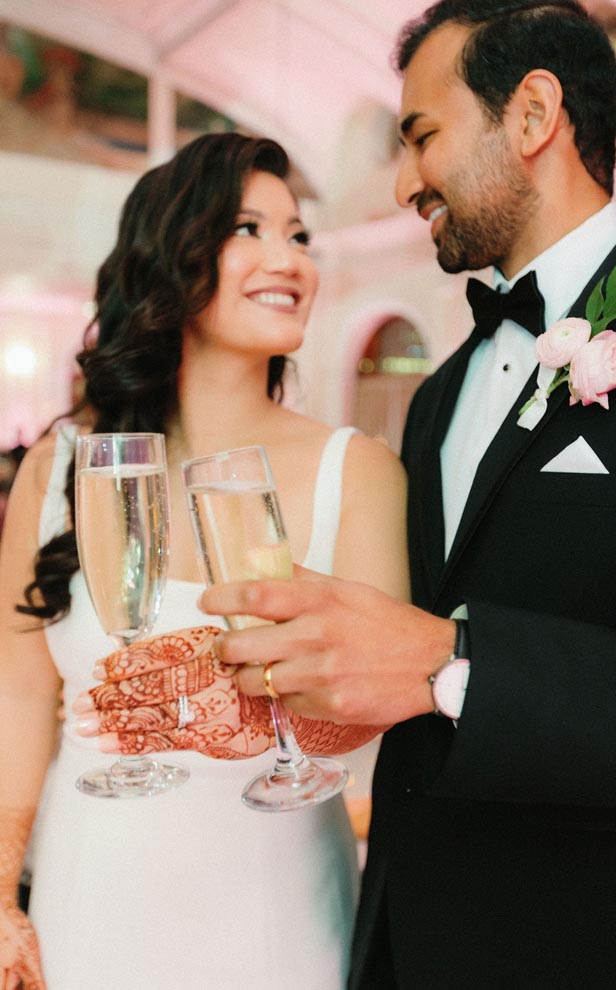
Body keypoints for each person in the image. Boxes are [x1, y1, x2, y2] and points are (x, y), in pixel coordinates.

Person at [80, 2, 616, 987]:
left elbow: (436, 656)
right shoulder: (440, 395)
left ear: (532, 116)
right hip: (399, 937)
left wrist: (455, 662)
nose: (401, 185)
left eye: (423, 137)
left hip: (591, 944)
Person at [0, 132, 409, 990]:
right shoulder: (63, 464)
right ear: (170, 254)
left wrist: (220, 710)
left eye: (299, 235)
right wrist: (1, 892)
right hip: (89, 897)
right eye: (249, 229)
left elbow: (373, 713)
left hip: (276, 908)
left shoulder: (357, 469)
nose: (288, 258)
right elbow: (20, 692)